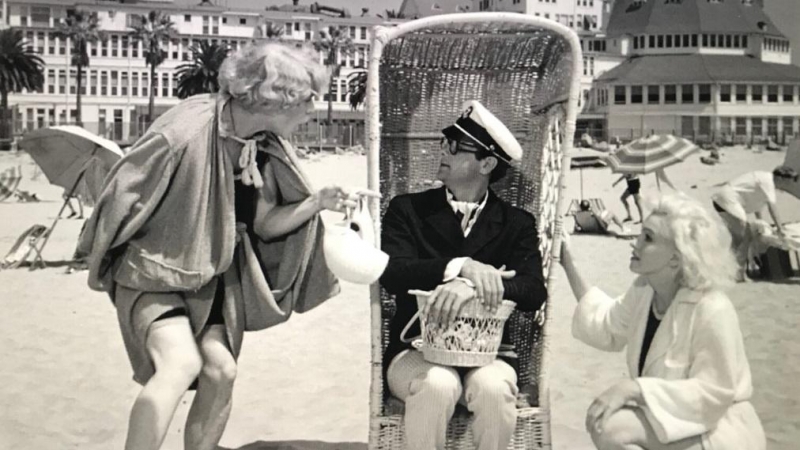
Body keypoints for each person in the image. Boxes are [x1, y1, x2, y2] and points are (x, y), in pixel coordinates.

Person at [77, 41, 362, 450]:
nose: (312, 109)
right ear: (277, 98)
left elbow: (265, 224)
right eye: (308, 98)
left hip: (209, 280)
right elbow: (122, 191)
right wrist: (106, 252)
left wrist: (317, 202)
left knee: (221, 371)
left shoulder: (259, 145)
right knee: (179, 364)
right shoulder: (184, 131)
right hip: (154, 273)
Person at [379, 100, 548, 450]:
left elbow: (533, 291)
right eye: (445, 141)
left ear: (486, 163)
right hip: (415, 351)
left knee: (493, 389)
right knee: (438, 384)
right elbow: (392, 273)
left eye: (455, 146)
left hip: (491, 353)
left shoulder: (517, 224)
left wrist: (469, 286)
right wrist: (459, 266)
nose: (443, 150)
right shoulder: (406, 209)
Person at [559, 192, 766, 450]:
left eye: (648, 238)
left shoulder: (712, 308)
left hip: (721, 431)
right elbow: (604, 323)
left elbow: (715, 392)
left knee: (613, 427)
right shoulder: (645, 291)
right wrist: (567, 261)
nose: (636, 243)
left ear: (676, 259)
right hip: (676, 425)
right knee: (607, 424)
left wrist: (635, 389)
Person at [710, 166, 795, 281]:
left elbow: (757, 203)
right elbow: (772, 207)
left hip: (722, 200)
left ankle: (726, 269)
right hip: (728, 199)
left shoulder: (764, 180)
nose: (788, 186)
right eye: (788, 182)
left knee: (738, 239)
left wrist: (761, 221)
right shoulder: (768, 181)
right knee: (745, 236)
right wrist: (780, 228)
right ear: (781, 178)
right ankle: (737, 274)